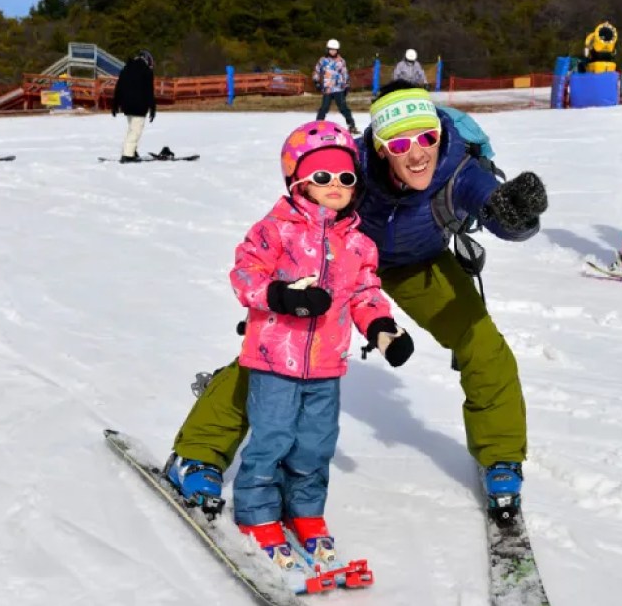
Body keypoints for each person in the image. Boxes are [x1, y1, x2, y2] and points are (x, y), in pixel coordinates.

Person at [165, 81, 549, 527]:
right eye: (401, 143)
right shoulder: (354, 166)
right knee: (271, 357)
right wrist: (279, 287)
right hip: (341, 256)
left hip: (418, 263)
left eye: (427, 136)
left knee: (482, 345)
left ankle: (501, 458)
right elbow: (302, 200)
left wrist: (520, 218)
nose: (419, 152)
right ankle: (196, 455)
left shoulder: (460, 167)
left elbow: (496, 213)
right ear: (381, 147)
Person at [189, 119, 415, 570]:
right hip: (274, 359)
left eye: (346, 177)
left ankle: (306, 512)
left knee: (315, 443)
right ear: (299, 182)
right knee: (271, 438)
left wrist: (383, 329)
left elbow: (365, 293)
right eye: (322, 176)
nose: (335, 185)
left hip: (327, 364)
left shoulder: (359, 242)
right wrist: (281, 295)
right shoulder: (276, 229)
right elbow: (245, 275)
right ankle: (256, 512)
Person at [111, 50, 157, 163]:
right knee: (135, 131)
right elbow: (149, 91)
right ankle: (127, 155)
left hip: (126, 105)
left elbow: (119, 88)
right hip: (139, 106)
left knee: (132, 128)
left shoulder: (126, 69)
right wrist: (152, 108)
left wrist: (115, 104)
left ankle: (132, 151)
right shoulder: (146, 71)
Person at [313, 39, 359, 135]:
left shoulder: (341, 61)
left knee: (343, 108)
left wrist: (347, 86)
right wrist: (316, 81)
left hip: (339, 89)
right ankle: (316, 126)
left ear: (337, 50)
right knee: (324, 108)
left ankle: (352, 125)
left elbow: (344, 73)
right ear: (327, 50)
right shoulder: (323, 60)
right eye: (331, 50)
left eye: (335, 50)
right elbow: (317, 71)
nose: (333, 52)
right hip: (328, 89)